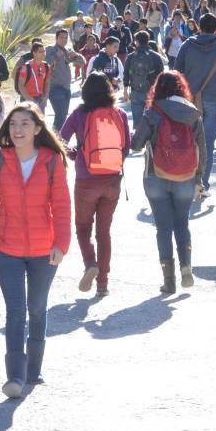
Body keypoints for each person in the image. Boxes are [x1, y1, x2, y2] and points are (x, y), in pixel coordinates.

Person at [0, 103, 71, 397]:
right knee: (15, 311)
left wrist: (61, 244)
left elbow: (62, 206)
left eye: (25, 124)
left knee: (37, 309)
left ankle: (34, 370)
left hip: (44, 249)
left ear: (38, 128)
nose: (18, 130)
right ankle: (15, 376)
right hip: (7, 248)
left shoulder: (52, 161)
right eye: (13, 124)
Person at [130, 71, 205, 293]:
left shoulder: (153, 112)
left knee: (163, 227)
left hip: (156, 175)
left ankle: (169, 280)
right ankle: (186, 266)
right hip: (185, 177)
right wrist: (198, 179)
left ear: (158, 88)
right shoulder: (193, 113)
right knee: (182, 223)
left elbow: (136, 144)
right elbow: (202, 149)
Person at [60, 72, 130, 296]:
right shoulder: (118, 114)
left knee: (83, 228)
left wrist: (74, 154)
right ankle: (103, 283)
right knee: (104, 232)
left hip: (86, 179)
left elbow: (61, 138)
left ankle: (90, 263)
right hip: (112, 179)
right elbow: (126, 148)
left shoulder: (80, 114)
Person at [174, 13, 216, 195]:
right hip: (214, 99)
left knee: (187, 141)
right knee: (207, 143)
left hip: (189, 100)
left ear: (199, 27)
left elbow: (177, 71)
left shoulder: (187, 45)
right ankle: (202, 183)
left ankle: (185, 180)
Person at [122, 30, 167, 121]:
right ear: (148, 40)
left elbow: (126, 73)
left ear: (136, 41)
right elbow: (161, 75)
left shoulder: (131, 56)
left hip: (135, 91)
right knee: (152, 120)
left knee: (137, 122)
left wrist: (125, 91)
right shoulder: (156, 56)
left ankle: (138, 134)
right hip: (151, 92)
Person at [45, 29, 85, 129]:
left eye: (66, 38)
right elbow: (46, 65)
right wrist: (56, 57)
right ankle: (54, 137)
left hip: (66, 88)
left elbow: (82, 62)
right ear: (56, 38)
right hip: (55, 88)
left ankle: (57, 138)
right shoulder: (50, 49)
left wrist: (76, 55)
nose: (64, 40)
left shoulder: (67, 50)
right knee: (60, 115)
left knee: (63, 116)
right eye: (61, 37)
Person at [16, 40, 50, 113]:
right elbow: (20, 85)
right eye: (40, 52)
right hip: (27, 99)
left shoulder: (46, 66)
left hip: (40, 99)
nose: (43, 53)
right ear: (34, 53)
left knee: (40, 122)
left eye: (44, 51)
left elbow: (47, 83)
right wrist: (30, 100)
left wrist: (45, 97)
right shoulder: (26, 67)